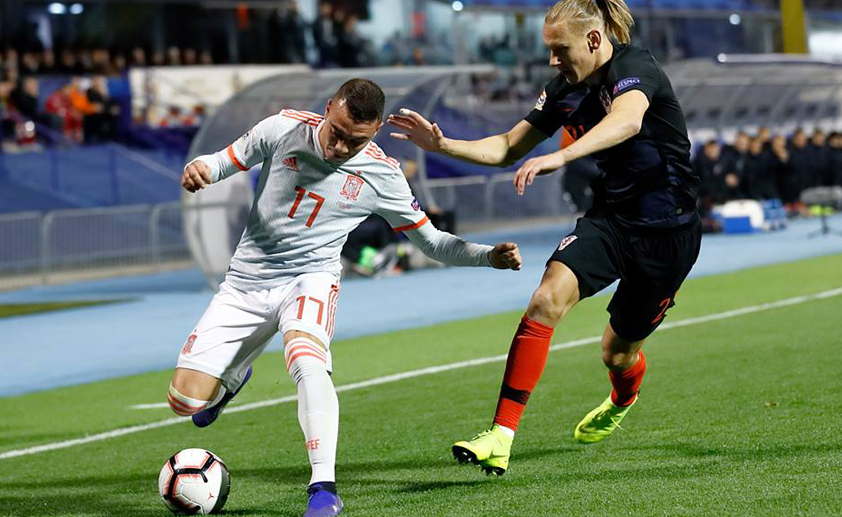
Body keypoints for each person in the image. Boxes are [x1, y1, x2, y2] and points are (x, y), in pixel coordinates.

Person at [167, 78, 522, 517]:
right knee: (184, 402)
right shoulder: (282, 128)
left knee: (307, 360)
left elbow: (431, 243)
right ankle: (234, 377)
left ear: (373, 132)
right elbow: (221, 162)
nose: (340, 147)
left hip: (310, 279)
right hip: (246, 283)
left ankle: (323, 489)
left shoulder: (382, 174)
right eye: (336, 131)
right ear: (329, 107)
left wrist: (489, 257)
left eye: (356, 140)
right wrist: (200, 168)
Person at [389, 0, 701, 475]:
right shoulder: (563, 90)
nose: (552, 60)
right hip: (611, 220)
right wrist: (442, 144)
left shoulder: (635, 66)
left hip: (668, 232)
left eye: (560, 49)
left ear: (594, 41)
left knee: (617, 352)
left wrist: (562, 156)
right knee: (544, 300)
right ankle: (501, 434)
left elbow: (628, 120)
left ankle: (624, 395)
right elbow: (507, 147)